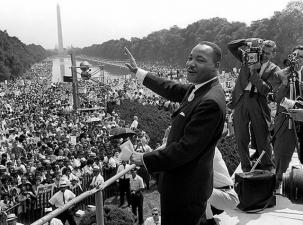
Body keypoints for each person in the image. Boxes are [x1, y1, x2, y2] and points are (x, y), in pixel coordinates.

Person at [125, 41, 226, 225]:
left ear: (216, 66)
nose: (191, 63)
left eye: (200, 59)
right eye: (190, 58)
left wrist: (145, 158)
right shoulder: (200, 88)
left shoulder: (210, 101)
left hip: (186, 190)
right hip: (182, 185)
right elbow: (169, 87)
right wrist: (138, 72)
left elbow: (185, 149)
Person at [227, 38, 281, 172]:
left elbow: (265, 90)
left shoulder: (274, 69)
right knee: (241, 136)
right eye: (263, 51)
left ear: (273, 54)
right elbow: (231, 47)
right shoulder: (248, 57)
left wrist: (253, 72)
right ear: (259, 50)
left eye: (268, 53)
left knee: (263, 136)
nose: (264, 55)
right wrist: (246, 41)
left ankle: (267, 167)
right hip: (241, 99)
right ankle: (246, 167)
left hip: (258, 101)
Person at [273, 45, 303, 188]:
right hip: (285, 119)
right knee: (282, 151)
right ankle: (277, 181)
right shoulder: (280, 74)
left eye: (301, 56)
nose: (297, 59)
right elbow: (277, 98)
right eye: (295, 55)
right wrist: (285, 83)